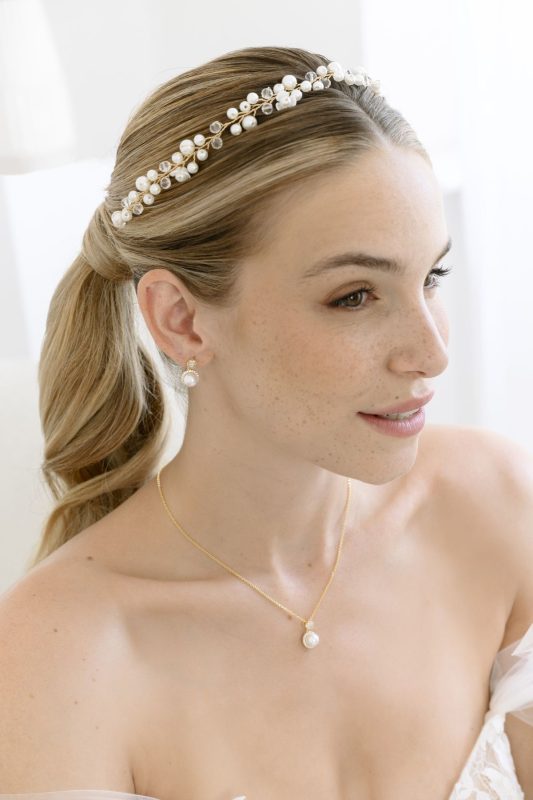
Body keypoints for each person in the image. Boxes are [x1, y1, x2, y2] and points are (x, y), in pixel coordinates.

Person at [0, 45, 532, 800]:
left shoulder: (491, 505)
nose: (432, 352)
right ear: (181, 319)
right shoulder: (61, 655)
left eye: (432, 277)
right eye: (354, 296)